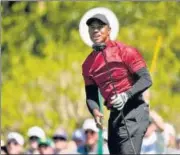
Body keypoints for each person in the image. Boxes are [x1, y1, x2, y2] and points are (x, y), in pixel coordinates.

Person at [82, 13, 152, 154]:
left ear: (109, 30)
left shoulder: (126, 51)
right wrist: (95, 111)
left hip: (135, 110)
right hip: (114, 115)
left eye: (100, 27)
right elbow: (91, 95)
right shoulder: (87, 64)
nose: (96, 30)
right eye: (92, 28)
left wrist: (126, 95)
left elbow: (146, 79)